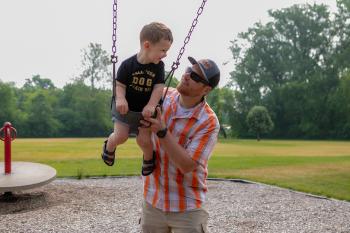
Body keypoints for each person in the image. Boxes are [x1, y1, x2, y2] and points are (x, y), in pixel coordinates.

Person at [139, 56, 221, 233]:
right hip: (152, 200)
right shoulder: (162, 97)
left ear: (206, 89)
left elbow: (187, 165)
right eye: (189, 71)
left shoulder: (209, 122)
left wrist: (162, 132)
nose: (187, 76)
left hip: (187, 206)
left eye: (196, 77)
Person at [101, 22, 173, 176]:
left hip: (145, 112)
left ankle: (148, 158)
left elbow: (158, 88)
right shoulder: (128, 65)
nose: (165, 54)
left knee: (144, 141)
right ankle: (109, 146)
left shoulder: (159, 66)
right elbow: (119, 85)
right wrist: (121, 99)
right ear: (147, 45)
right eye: (163, 50)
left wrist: (152, 105)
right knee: (121, 137)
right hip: (125, 110)